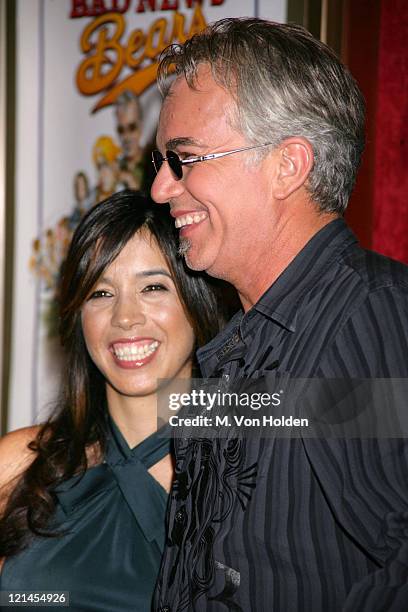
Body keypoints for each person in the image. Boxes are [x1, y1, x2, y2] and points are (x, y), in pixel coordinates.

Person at [150, 18, 408, 612]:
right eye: (161, 162)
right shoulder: (238, 343)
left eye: (184, 158)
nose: (161, 188)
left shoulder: (367, 321)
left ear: (288, 165)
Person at [0, 191, 226, 611]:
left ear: (199, 302)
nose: (125, 317)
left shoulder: (253, 465)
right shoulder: (19, 465)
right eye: (101, 293)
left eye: (153, 287)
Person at [115, 91, 145, 190]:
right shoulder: (115, 167)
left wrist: (131, 181)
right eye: (121, 130)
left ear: (141, 127)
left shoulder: (155, 165)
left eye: (132, 128)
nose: (126, 137)